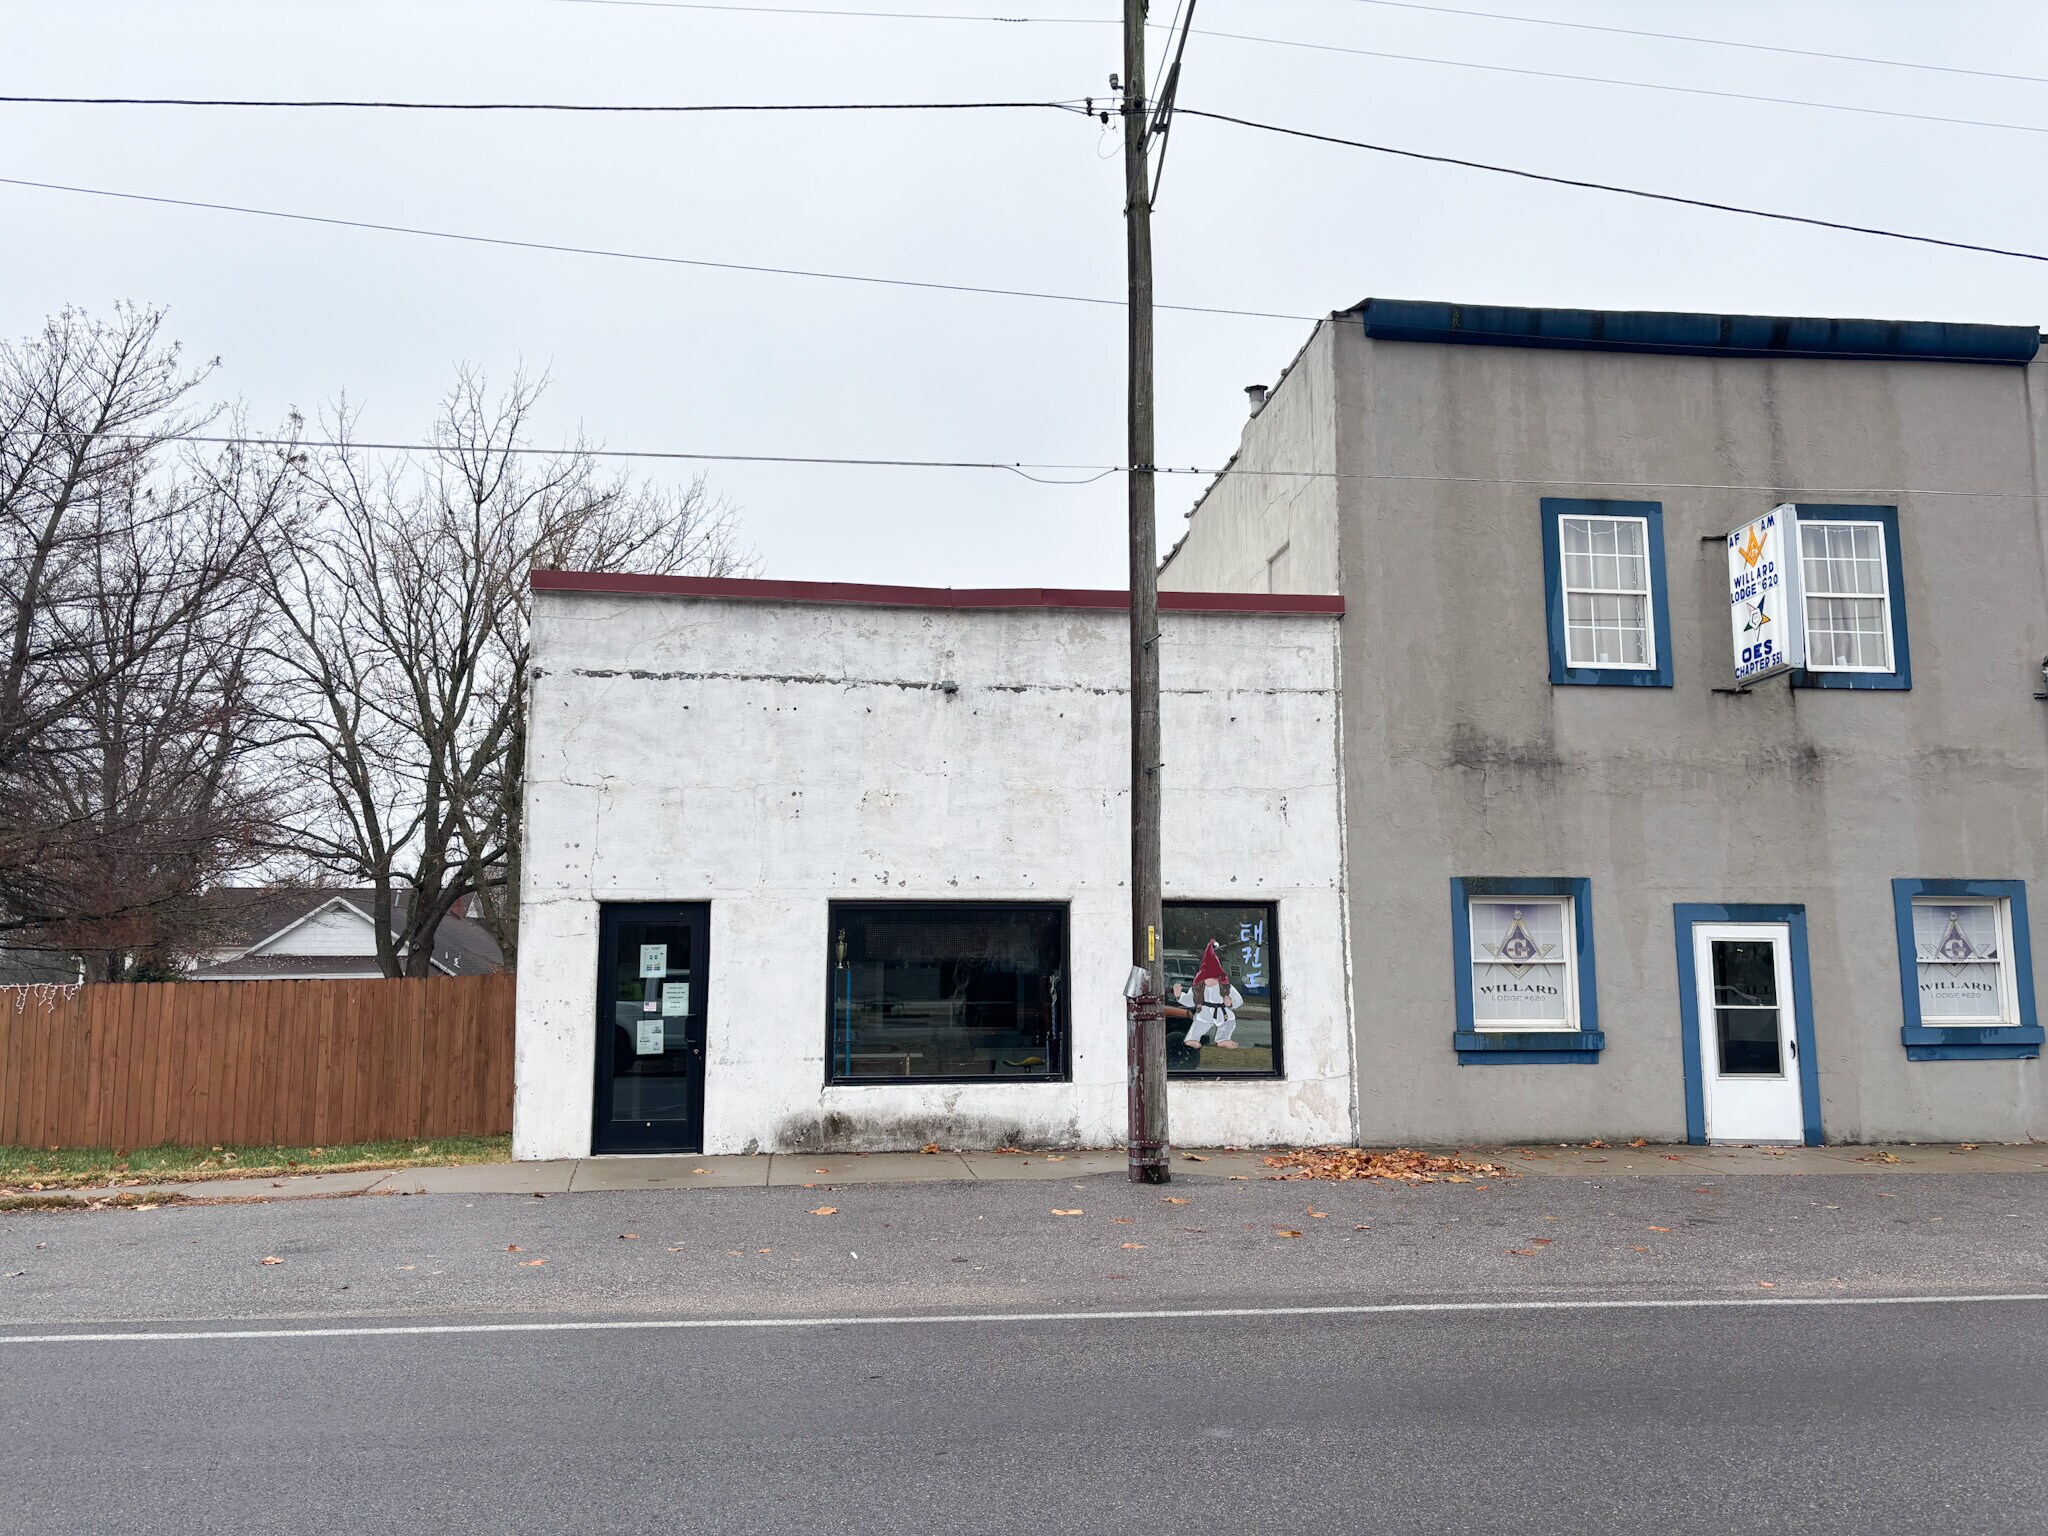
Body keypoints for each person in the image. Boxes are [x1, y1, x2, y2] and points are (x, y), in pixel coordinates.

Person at [1173, 941, 1243, 1050]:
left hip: (1221, 1012)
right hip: (1204, 1011)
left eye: (1214, 978)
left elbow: (1238, 999)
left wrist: (1230, 1003)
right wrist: (1179, 995)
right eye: (1207, 978)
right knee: (1199, 1024)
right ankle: (1193, 1039)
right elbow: (1190, 1000)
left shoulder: (1226, 987)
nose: (1211, 981)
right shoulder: (1198, 988)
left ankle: (1223, 1039)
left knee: (1229, 1022)